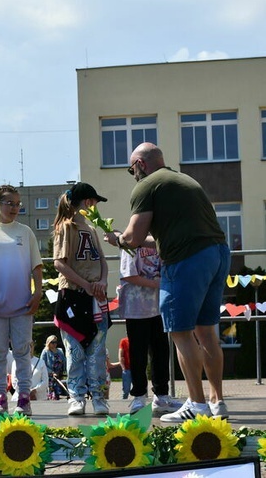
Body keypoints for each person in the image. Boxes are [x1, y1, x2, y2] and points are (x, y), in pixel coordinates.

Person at [107, 142, 230, 422]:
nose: (133, 175)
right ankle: (217, 401)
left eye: (131, 169)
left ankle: (196, 405)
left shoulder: (146, 186)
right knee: (207, 332)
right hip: (217, 253)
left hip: (187, 260)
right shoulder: (184, 180)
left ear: (140, 164)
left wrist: (118, 239)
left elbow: (134, 238)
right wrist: (131, 240)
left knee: (180, 332)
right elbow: (158, 237)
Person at [0, 184, 43, 417]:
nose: (14, 208)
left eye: (17, 203)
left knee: (23, 352)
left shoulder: (25, 232)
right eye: (9, 203)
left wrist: (38, 292)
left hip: (23, 305)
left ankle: (24, 398)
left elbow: (36, 266)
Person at [52, 182, 111, 416]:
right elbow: (59, 263)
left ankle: (99, 396)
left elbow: (103, 262)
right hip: (73, 296)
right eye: (94, 202)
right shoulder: (65, 227)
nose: (96, 206)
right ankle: (76, 396)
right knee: (74, 350)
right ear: (87, 202)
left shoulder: (92, 229)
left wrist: (103, 281)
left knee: (97, 350)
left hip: (97, 297)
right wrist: (85, 285)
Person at [113, 244, 183, 416]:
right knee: (138, 353)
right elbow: (129, 275)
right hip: (136, 307)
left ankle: (161, 396)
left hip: (159, 306)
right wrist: (156, 283)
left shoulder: (158, 241)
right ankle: (138, 396)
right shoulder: (130, 243)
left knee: (161, 350)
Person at [40, 335, 67, 400]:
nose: (54, 344)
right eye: (52, 342)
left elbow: (64, 361)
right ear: (48, 342)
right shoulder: (45, 351)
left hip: (59, 374)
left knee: (60, 390)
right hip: (50, 375)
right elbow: (42, 364)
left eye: (55, 342)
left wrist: (65, 370)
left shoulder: (60, 351)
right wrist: (51, 373)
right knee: (52, 393)